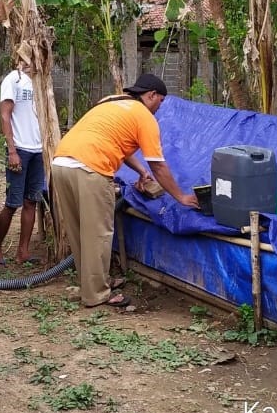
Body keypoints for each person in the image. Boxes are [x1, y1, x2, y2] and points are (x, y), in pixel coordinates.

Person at [51, 73, 199, 308]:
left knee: (79, 230)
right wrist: (180, 196)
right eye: (160, 101)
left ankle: (90, 284)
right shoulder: (144, 117)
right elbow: (159, 165)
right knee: (98, 233)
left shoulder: (111, 100)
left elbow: (117, 142)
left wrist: (140, 172)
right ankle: (97, 294)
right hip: (91, 168)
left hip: (61, 162)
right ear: (151, 95)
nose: (159, 108)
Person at [0, 61, 45, 265]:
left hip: (38, 150)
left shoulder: (41, 82)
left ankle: (23, 252)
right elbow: (5, 115)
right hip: (20, 149)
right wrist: (12, 150)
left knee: (31, 201)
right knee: (13, 203)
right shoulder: (14, 79)